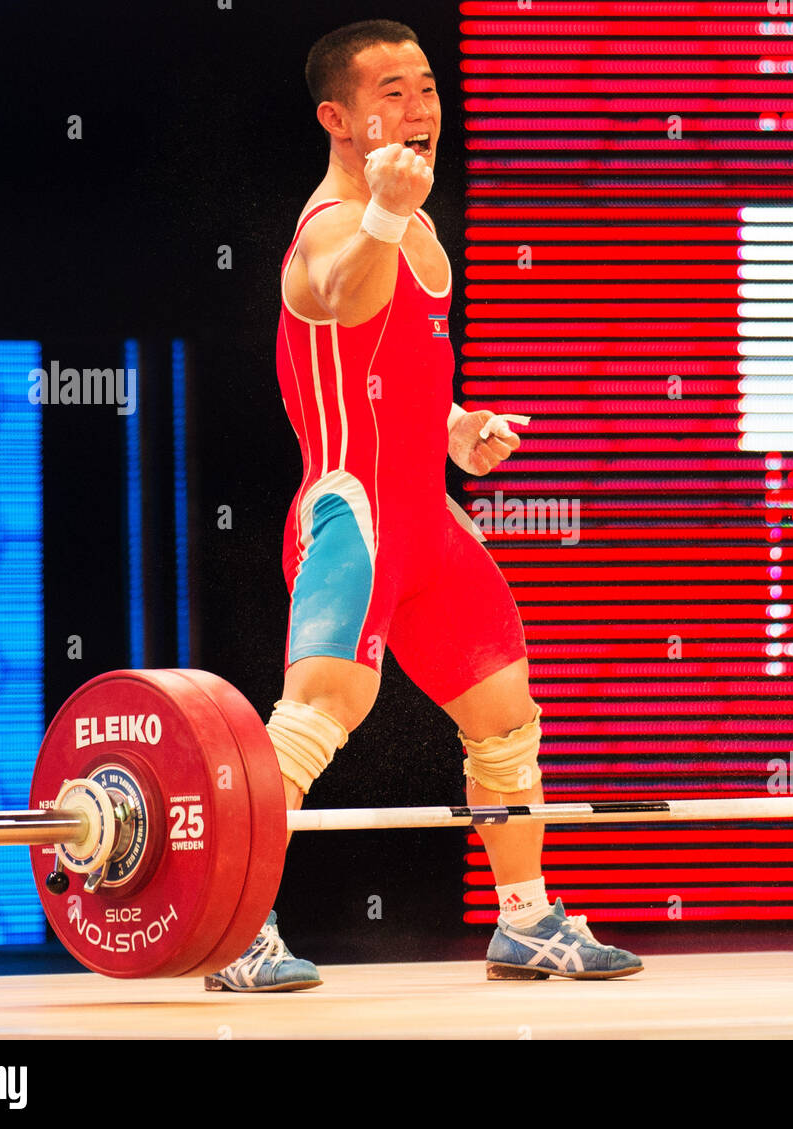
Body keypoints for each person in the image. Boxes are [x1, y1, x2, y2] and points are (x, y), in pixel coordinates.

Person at [205, 19, 642, 991]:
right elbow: (326, 299)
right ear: (339, 117)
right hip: (351, 518)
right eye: (391, 93)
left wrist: (452, 427)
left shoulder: (415, 218)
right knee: (318, 717)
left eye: (427, 89)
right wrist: (383, 219)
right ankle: (235, 929)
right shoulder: (332, 223)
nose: (418, 111)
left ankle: (525, 919)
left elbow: (386, 368)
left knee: (505, 717)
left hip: (429, 523)